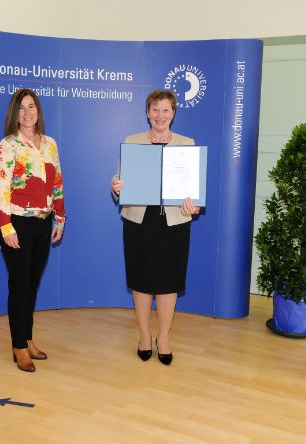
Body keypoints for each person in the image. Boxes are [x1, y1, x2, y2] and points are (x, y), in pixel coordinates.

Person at [111, 90, 200, 365]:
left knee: (168, 282)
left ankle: (163, 337)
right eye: (155, 109)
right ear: (147, 112)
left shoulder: (187, 144)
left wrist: (193, 206)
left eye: (166, 110)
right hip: (140, 221)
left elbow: (194, 194)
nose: (160, 115)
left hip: (173, 223)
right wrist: (116, 187)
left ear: (174, 113)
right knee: (141, 281)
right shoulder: (132, 141)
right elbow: (119, 181)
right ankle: (144, 336)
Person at [0, 88, 65, 373]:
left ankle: (28, 338)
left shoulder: (50, 144)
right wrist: (5, 226)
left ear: (38, 111)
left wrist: (60, 217)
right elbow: (2, 188)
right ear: (15, 112)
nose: (27, 112)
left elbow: (57, 181)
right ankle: (18, 346)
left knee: (33, 285)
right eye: (21, 107)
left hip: (43, 221)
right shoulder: (7, 145)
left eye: (32, 106)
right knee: (19, 286)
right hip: (17, 222)